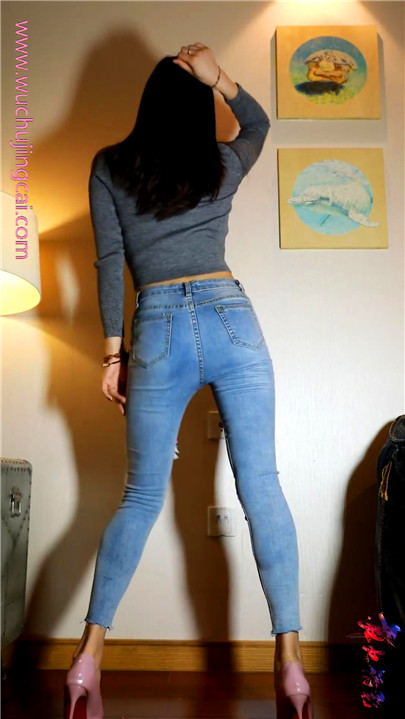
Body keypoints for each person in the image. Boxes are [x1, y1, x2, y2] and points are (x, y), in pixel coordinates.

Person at [64, 43, 314, 719]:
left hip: (158, 327)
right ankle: (291, 663)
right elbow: (259, 123)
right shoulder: (221, 161)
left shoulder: (110, 166)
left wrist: (112, 357)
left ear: (148, 103)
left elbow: (109, 261)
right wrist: (220, 77)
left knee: (141, 495)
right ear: (197, 105)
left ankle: (87, 658)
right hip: (231, 316)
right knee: (262, 487)